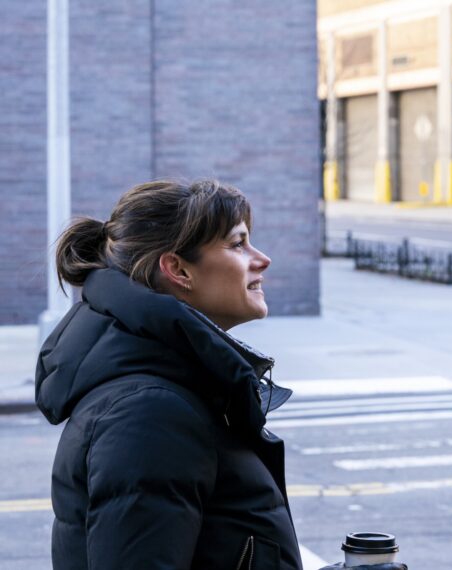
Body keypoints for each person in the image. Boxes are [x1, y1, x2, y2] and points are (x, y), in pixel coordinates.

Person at [36, 180, 302, 569]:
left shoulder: (179, 386)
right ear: (178, 269)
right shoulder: (149, 412)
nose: (262, 259)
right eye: (237, 244)